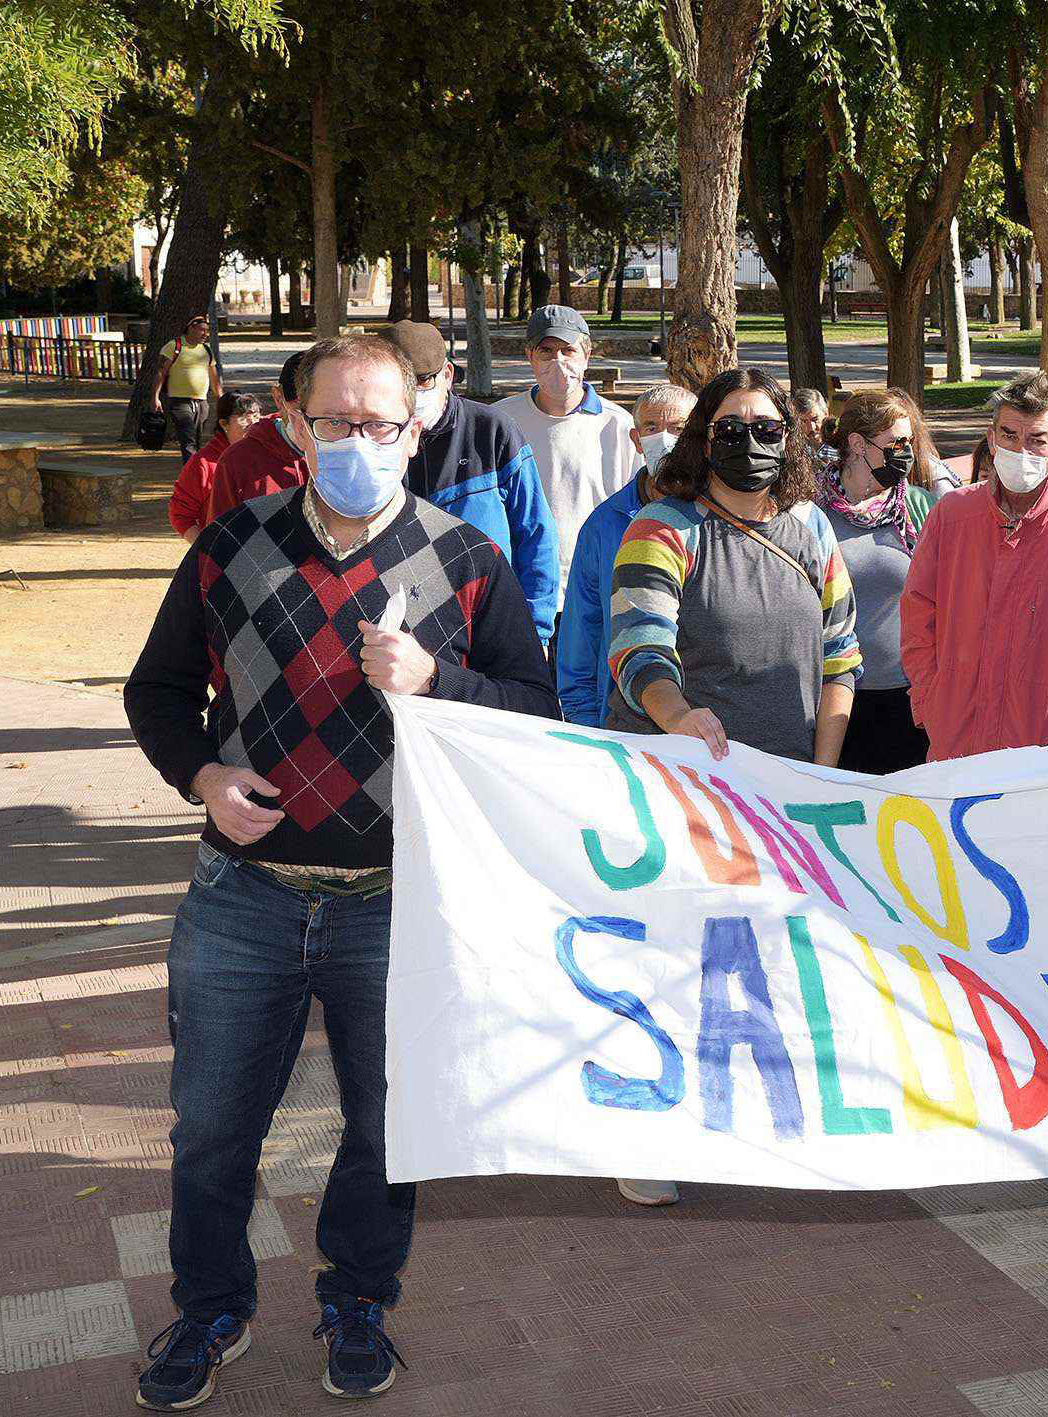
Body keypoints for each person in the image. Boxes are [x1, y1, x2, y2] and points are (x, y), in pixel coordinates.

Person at [124, 334, 559, 1410]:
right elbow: (158, 690)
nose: (357, 441)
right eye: (336, 422)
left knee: (383, 1126)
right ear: (295, 424)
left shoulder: (466, 559)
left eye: (380, 424)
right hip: (245, 899)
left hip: (400, 904)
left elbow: (539, 711)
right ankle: (210, 1308)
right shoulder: (231, 544)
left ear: (416, 430)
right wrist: (201, 776)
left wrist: (436, 678)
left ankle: (357, 1300)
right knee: (214, 1126)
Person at [606, 367, 860, 768]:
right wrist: (677, 717)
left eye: (767, 428)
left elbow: (840, 659)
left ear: (787, 439)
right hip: (687, 775)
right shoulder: (662, 527)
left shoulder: (812, 528)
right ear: (705, 443)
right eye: (729, 429)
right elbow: (638, 648)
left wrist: (821, 774)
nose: (749, 441)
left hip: (788, 779)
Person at [901, 371, 1048, 760]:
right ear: (991, 439)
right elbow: (918, 614)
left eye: (1037, 440)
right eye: (1009, 435)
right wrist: (930, 699)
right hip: (955, 735)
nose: (1021, 450)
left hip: (1046, 744)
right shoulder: (952, 515)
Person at [382, 319, 561, 646]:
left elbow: (536, 536)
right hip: (400, 635)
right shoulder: (373, 438)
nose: (410, 393)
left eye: (421, 381)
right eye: (396, 382)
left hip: (491, 627)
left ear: (447, 375)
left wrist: (536, 635)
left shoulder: (493, 430)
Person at [557, 382, 696, 735]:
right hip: (624, 722)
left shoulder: (719, 516)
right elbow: (581, 637)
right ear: (635, 440)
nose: (665, 438)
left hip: (709, 716)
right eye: (652, 428)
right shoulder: (604, 525)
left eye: (679, 428)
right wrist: (587, 730)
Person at [819, 389, 946, 773]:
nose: (905, 452)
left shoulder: (920, 507)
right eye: (896, 442)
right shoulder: (810, 511)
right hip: (833, 695)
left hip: (907, 694)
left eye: (909, 441)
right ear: (857, 443)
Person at [493, 305, 637, 635]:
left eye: (568, 350)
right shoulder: (501, 422)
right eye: (546, 350)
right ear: (530, 355)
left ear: (586, 354)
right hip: (522, 591)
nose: (558, 361)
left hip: (596, 591)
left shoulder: (618, 426)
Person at [205, 351, 310, 523]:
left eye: (328, 411)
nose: (310, 419)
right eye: (300, 408)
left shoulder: (355, 456)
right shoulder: (237, 460)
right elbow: (219, 543)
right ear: (278, 398)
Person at [169, 392, 264, 540]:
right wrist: (207, 551)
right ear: (224, 424)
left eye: (256, 415)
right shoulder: (203, 464)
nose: (253, 421)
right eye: (244, 416)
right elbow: (180, 515)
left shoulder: (266, 455)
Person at [150, 313, 223, 460]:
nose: (205, 334)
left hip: (202, 401)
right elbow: (160, 372)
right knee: (188, 438)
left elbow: (214, 378)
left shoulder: (206, 350)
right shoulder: (174, 346)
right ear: (190, 328)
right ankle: (192, 471)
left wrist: (222, 399)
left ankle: (194, 471)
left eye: (207, 331)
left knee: (196, 438)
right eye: (202, 330)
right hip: (179, 401)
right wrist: (155, 397)